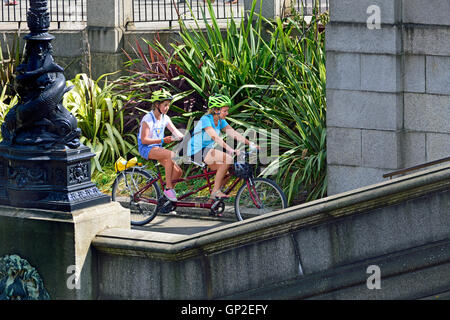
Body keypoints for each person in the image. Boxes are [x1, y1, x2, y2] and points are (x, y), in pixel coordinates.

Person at [187, 93, 258, 200]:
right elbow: (215, 137)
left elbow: (233, 133)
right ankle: (215, 191)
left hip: (207, 150)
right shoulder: (206, 119)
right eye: (225, 111)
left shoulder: (220, 120)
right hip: (195, 150)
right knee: (228, 159)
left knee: (227, 171)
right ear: (216, 110)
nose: (227, 113)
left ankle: (213, 201)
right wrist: (230, 150)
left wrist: (250, 143)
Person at [138, 89, 184, 202]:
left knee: (178, 172)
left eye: (168, 105)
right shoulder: (148, 119)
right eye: (165, 105)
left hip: (158, 148)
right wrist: (162, 140)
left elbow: (175, 131)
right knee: (171, 155)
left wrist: (185, 137)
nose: (167, 107)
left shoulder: (165, 118)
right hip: (146, 149)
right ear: (157, 105)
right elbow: (144, 140)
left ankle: (166, 200)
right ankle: (168, 188)